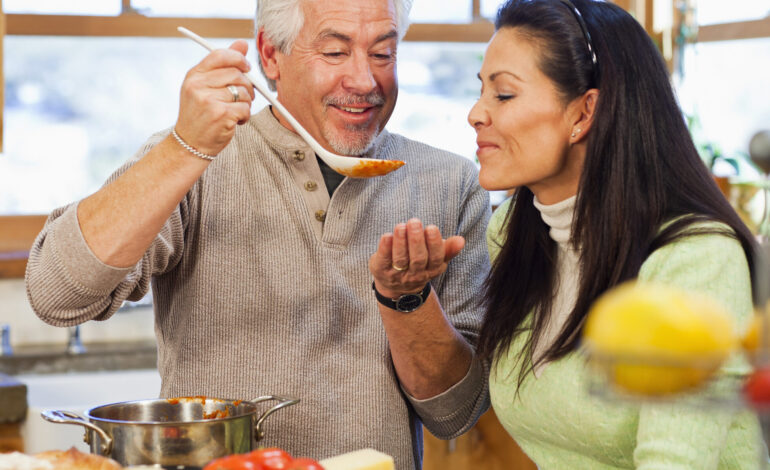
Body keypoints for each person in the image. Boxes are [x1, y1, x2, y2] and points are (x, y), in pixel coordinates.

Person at [24, 0, 491, 468]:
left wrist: (407, 299)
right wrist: (185, 148)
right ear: (270, 55)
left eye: (383, 54)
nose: (365, 81)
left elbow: (455, 414)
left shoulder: (449, 183)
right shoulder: (195, 158)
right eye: (334, 52)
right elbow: (57, 295)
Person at [466, 0, 766, 468]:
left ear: (584, 112)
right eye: (481, 91)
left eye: (503, 95)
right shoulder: (512, 233)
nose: (475, 114)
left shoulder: (696, 257)